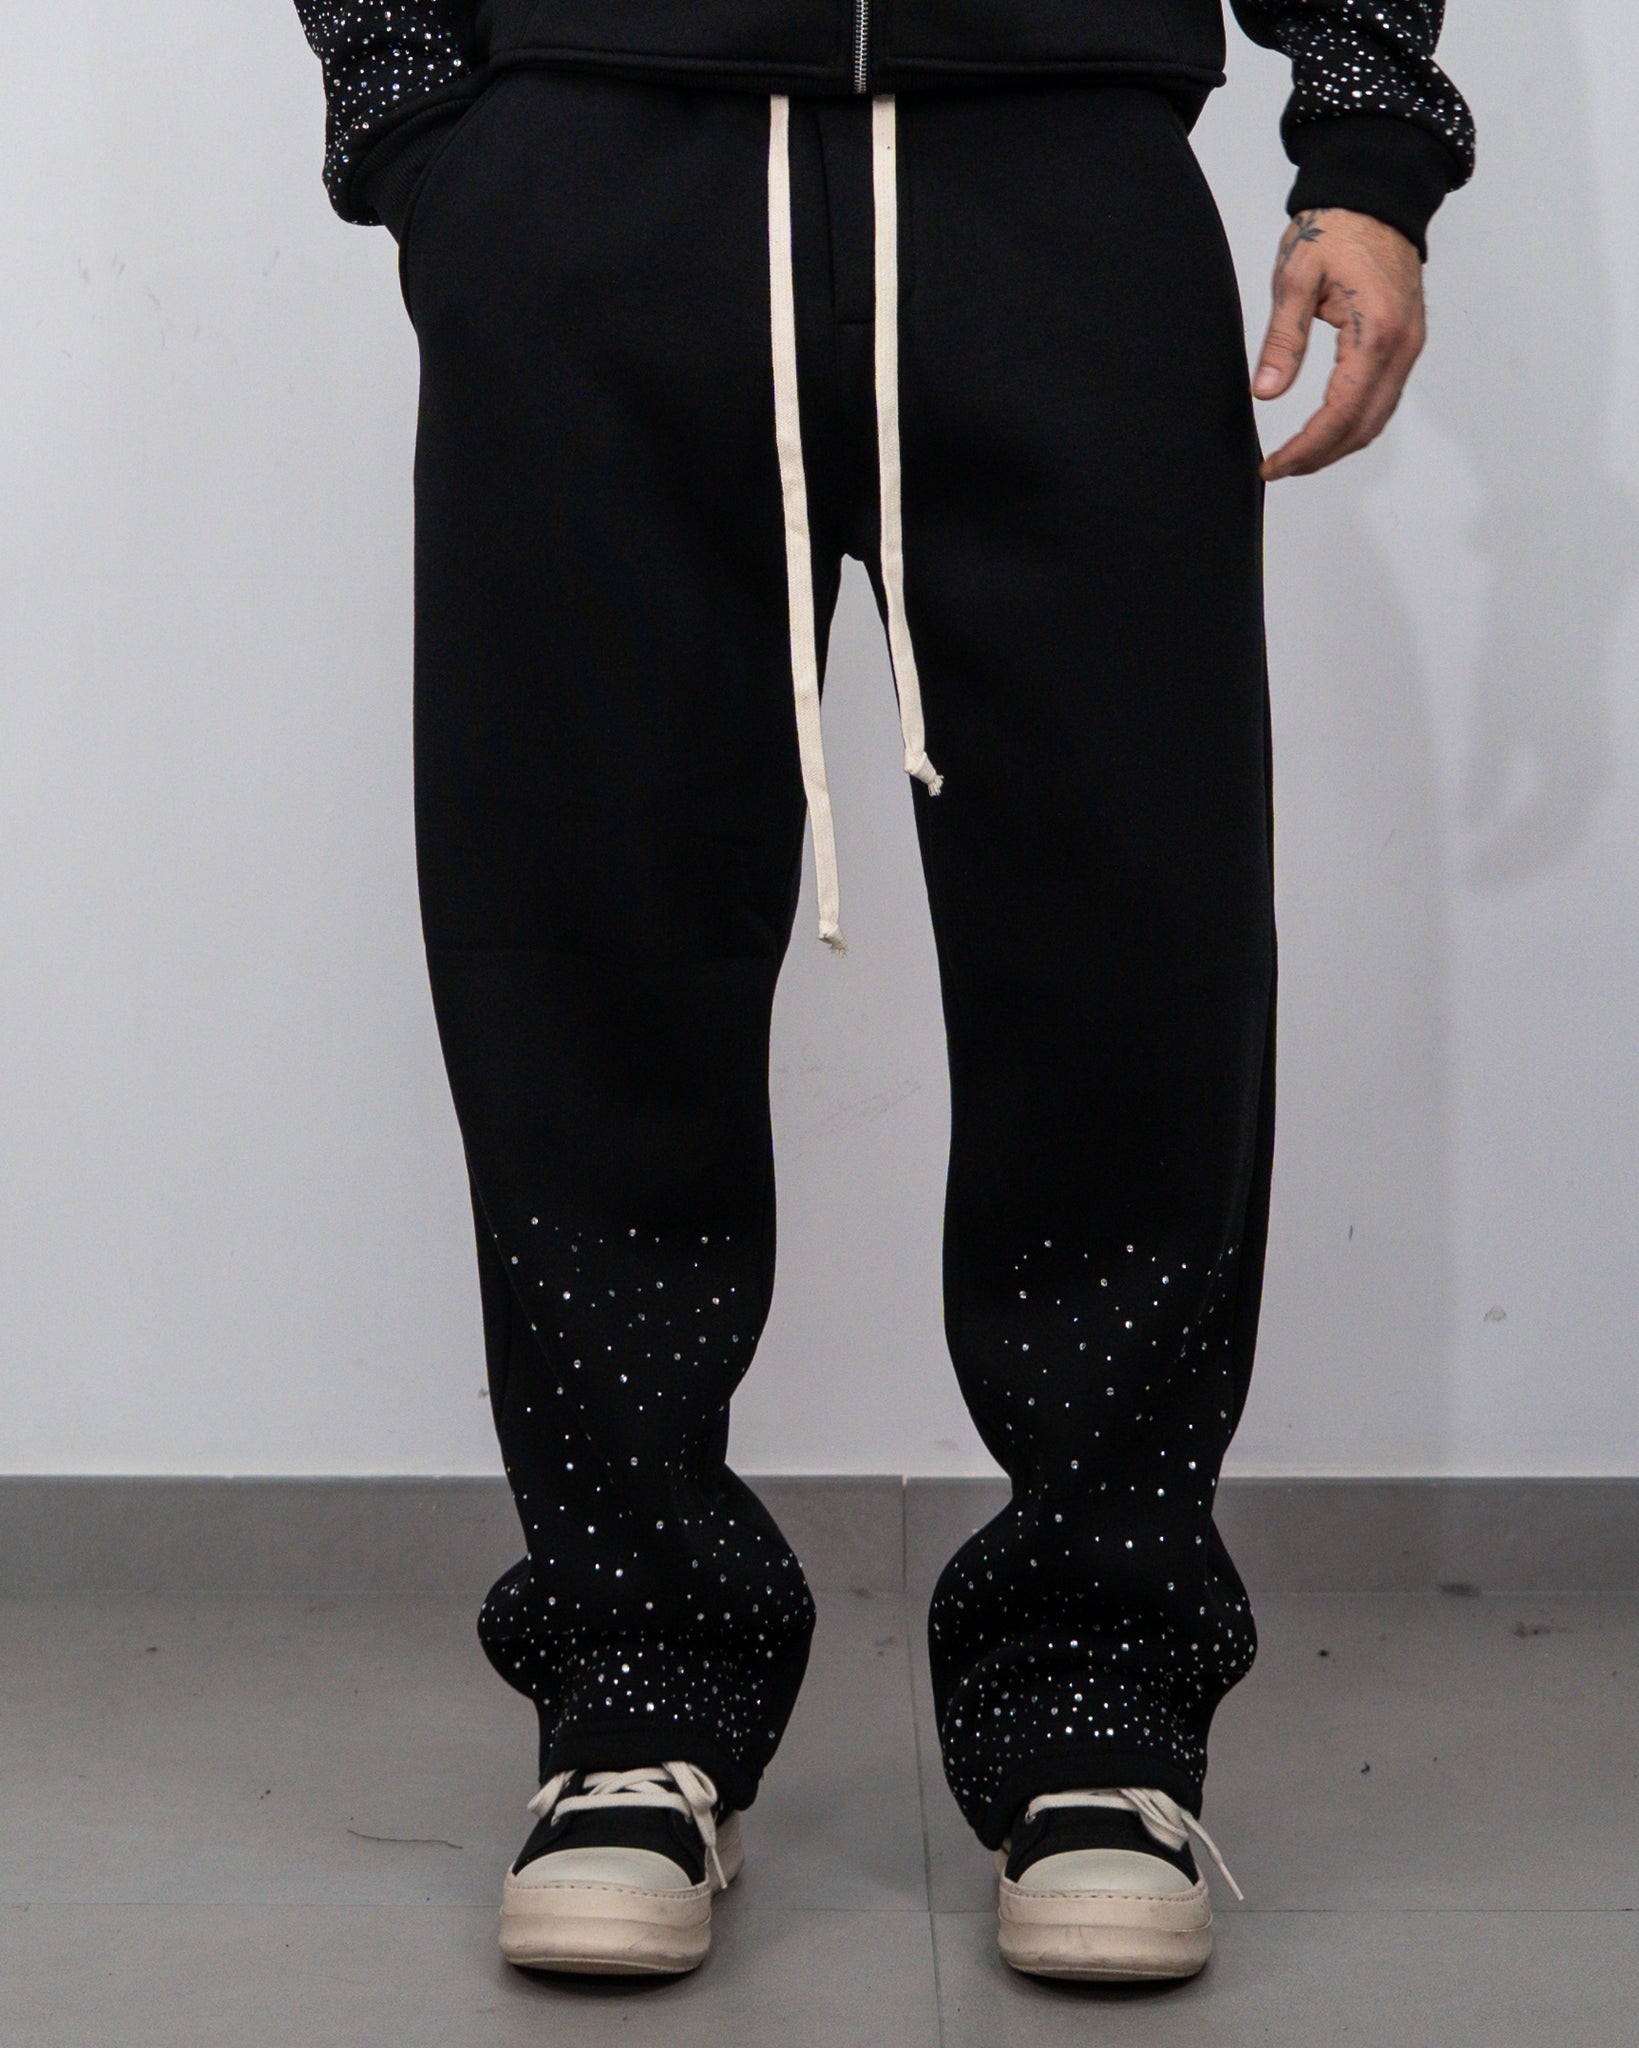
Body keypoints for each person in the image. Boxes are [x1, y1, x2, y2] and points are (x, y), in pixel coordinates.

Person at [292, 0, 1472, 1985]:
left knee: (1132, 952)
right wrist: (424, 136)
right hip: (597, 178)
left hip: (1056, 171)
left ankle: (1098, 1707)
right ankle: (634, 1696)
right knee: (583, 947)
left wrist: (1366, 153)